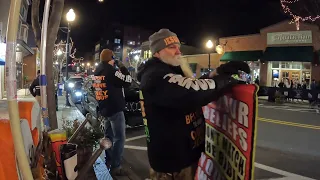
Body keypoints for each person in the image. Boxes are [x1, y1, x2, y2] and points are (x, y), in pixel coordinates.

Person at [137, 29, 250, 180]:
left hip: (183, 159)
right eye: (171, 47)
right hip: (172, 167)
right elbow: (194, 92)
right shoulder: (155, 75)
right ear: (157, 52)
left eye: (178, 46)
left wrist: (218, 72)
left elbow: (191, 85)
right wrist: (226, 80)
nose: (178, 51)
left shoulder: (169, 71)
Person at [93, 49, 132, 176]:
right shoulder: (111, 71)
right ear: (111, 59)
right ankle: (116, 166)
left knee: (108, 136)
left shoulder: (97, 71)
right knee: (119, 138)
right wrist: (123, 68)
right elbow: (128, 81)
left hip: (104, 108)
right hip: (115, 109)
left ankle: (109, 158)